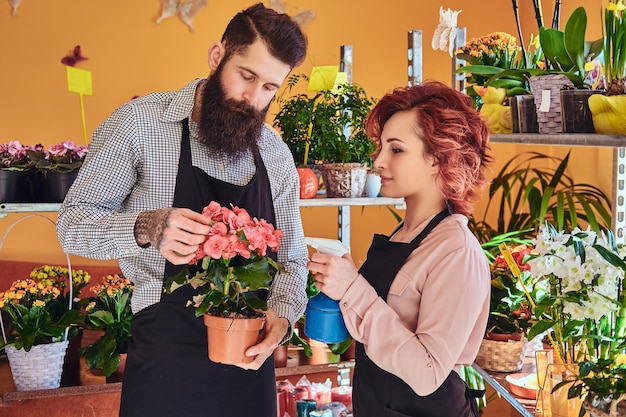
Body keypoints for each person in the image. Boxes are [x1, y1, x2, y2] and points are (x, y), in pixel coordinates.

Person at [56, 4, 309, 416]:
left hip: (250, 367)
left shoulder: (274, 152)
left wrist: (282, 315)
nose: (253, 98)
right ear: (216, 57)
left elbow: (293, 258)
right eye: (246, 76)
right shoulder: (139, 124)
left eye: (269, 88)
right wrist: (147, 227)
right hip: (165, 366)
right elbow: (72, 225)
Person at [307, 81, 493, 417]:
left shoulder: (457, 251)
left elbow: (427, 373)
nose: (378, 161)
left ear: (439, 158)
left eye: (395, 150)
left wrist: (353, 289)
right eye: (380, 148)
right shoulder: (403, 233)